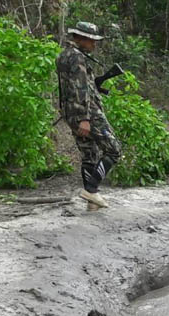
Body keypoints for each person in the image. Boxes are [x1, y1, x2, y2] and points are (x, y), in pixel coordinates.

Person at [56, 21, 121, 209]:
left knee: (89, 153)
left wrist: (95, 86)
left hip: (70, 112)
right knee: (113, 149)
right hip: (86, 113)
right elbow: (80, 89)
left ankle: (92, 201)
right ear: (81, 39)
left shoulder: (63, 55)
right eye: (92, 40)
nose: (94, 44)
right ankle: (91, 189)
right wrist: (84, 118)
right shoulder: (78, 58)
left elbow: (70, 87)